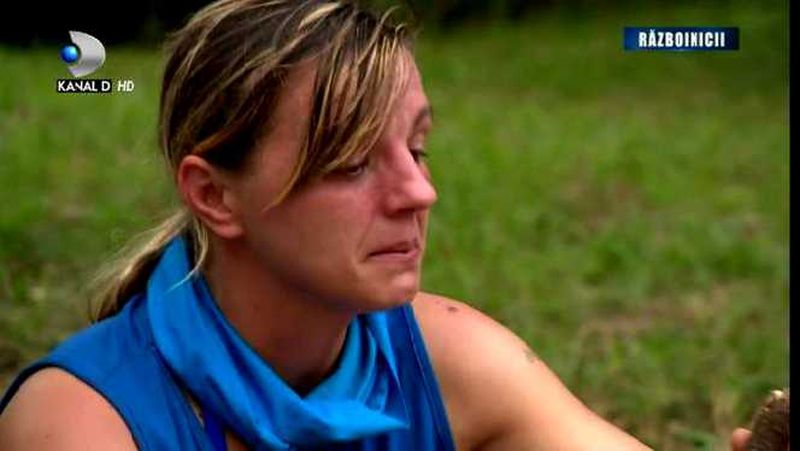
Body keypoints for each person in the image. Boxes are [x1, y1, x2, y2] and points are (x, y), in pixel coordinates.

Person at [0, 1, 762, 449]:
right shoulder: (85, 421)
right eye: (352, 161)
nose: (419, 191)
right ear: (215, 196)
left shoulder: (449, 360)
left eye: (417, 147)